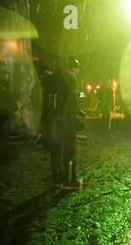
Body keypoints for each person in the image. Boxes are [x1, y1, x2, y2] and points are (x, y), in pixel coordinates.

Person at [42, 58, 82, 190]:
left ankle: (57, 180)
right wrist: (76, 116)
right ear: (73, 69)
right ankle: (69, 181)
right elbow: (71, 102)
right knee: (69, 150)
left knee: (55, 150)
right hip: (66, 120)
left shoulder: (50, 79)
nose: (78, 72)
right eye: (77, 69)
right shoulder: (70, 79)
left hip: (53, 120)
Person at [0, 65, 15, 164]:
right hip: (1, 118)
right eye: (6, 75)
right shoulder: (0, 87)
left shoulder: (4, 86)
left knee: (4, 138)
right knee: (1, 138)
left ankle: (3, 155)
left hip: (5, 117)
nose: (8, 76)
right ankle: (0, 157)